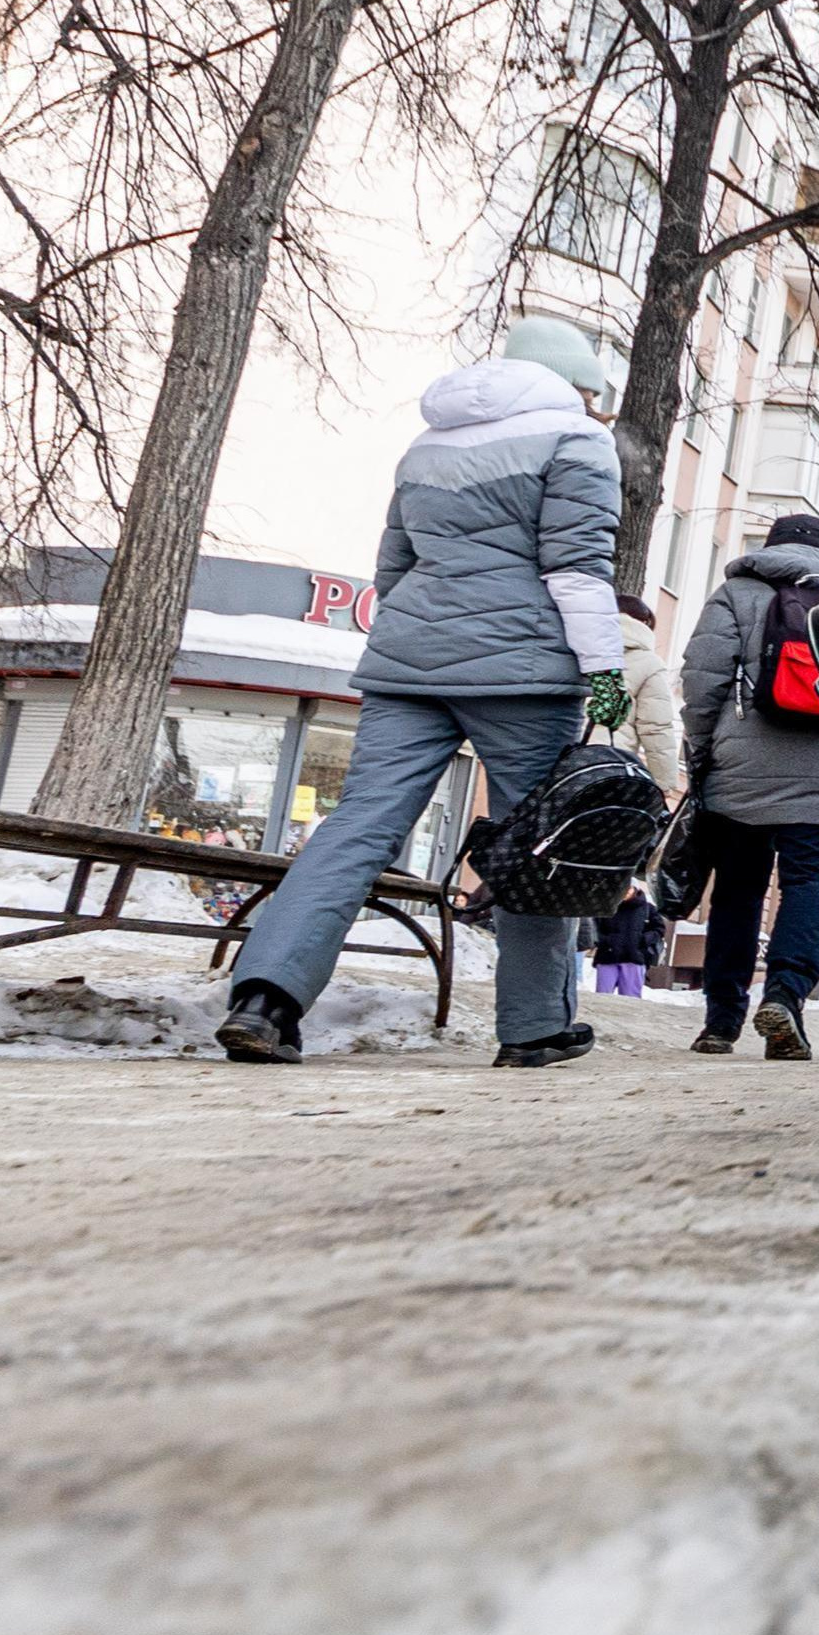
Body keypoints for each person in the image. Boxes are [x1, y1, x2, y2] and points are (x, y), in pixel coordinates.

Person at [214, 316, 628, 1070]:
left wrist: (409, 649)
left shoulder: (428, 443)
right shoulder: (577, 439)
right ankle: (534, 1027)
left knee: (358, 828)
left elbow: (394, 567)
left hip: (408, 663)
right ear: (578, 383)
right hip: (522, 670)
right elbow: (576, 567)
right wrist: (604, 669)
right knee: (537, 841)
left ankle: (265, 999)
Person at [675, 511, 819, 1059]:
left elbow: (701, 681)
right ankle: (786, 997)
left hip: (740, 771)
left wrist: (702, 754)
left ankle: (720, 1020)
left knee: (737, 890)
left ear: (771, 546)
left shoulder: (735, 594)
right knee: (807, 887)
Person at [614, 592, 682, 788]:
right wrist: (665, 784)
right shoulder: (648, 663)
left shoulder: (577, 646)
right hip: (609, 762)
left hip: (562, 756)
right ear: (644, 624)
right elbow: (656, 728)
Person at [592, 884, 663, 996]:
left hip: (634, 958)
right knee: (602, 996)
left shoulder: (648, 908)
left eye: (629, 888)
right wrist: (604, 941)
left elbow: (659, 929)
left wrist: (644, 940)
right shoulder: (606, 907)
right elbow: (593, 928)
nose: (625, 891)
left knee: (631, 1000)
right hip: (607, 956)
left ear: (636, 889)